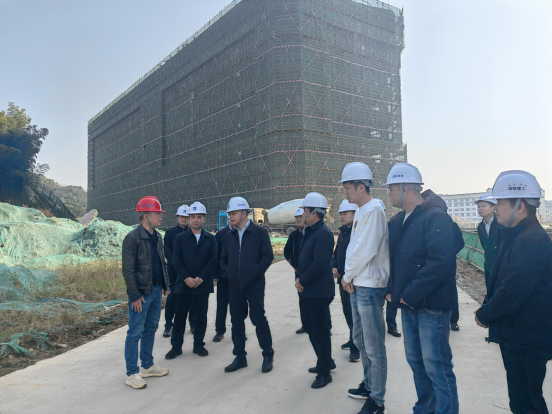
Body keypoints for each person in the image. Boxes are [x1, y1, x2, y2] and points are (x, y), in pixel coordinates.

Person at [385, 163, 462, 414]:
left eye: (391, 189)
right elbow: (397, 261)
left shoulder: (435, 216)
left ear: (405, 189)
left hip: (432, 306)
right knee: (416, 361)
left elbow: (440, 262)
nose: (388, 194)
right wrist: (393, 290)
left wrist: (409, 294)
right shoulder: (400, 220)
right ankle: (425, 408)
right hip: (408, 304)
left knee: (437, 366)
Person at [475, 170, 552, 414]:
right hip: (519, 334)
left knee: (527, 401)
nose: (495, 208)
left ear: (520, 207)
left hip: (528, 336)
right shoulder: (516, 234)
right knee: (521, 399)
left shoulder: (531, 240)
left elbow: (514, 289)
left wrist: (486, 313)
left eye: (500, 203)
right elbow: (503, 278)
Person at [339, 162, 390, 414]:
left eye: (348, 187)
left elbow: (366, 250)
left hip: (369, 287)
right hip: (358, 284)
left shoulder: (374, 210)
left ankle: (377, 401)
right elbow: (353, 248)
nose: (345, 191)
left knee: (374, 346)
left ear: (361, 186)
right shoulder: (361, 210)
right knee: (360, 339)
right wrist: (349, 278)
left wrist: (347, 275)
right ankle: (369, 385)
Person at [221, 196, 275, 374]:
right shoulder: (229, 235)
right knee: (236, 322)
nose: (230, 216)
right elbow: (223, 258)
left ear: (244, 213)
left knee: (258, 319)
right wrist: (228, 273)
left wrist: (256, 272)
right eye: (229, 213)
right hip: (235, 286)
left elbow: (268, 255)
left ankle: (268, 354)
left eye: (234, 213)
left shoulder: (259, 232)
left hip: (254, 286)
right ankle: (240, 357)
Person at [122, 196, 170, 389]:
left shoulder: (157, 236)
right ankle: (132, 373)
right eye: (157, 213)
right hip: (142, 294)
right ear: (145, 215)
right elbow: (128, 269)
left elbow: (161, 263)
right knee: (135, 332)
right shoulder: (132, 238)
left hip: (156, 290)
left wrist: (166, 285)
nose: (160, 216)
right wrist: (134, 295)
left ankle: (147, 365)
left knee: (151, 328)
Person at [165, 202, 216, 359]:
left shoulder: (210, 239)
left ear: (204, 219)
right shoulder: (180, 238)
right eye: (192, 217)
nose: (195, 220)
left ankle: (198, 345)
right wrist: (186, 278)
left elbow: (212, 260)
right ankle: (176, 347)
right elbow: (176, 260)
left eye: (199, 217)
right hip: (183, 285)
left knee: (200, 317)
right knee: (180, 317)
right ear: (189, 218)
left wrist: (200, 278)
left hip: (202, 285)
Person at [295, 193, 336, 389]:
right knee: (310, 328)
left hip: (318, 291)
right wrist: (299, 278)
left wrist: (302, 280)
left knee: (320, 332)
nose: (302, 213)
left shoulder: (323, 233)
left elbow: (320, 263)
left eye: (305, 210)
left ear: (314, 212)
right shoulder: (310, 231)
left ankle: (324, 373)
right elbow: (305, 259)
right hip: (307, 290)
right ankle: (324, 361)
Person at [332, 199, 360, 363]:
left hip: (352, 281)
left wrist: (342, 271)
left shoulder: (357, 232)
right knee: (347, 312)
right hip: (342, 279)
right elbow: (336, 253)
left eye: (345, 213)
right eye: (341, 214)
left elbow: (355, 257)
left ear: (355, 214)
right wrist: (334, 267)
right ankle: (352, 339)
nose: (342, 216)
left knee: (354, 314)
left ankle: (356, 348)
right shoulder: (343, 232)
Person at [213, 219, 249, 342]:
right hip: (224, 277)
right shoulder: (221, 234)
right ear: (228, 218)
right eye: (231, 215)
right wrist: (216, 273)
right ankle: (220, 331)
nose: (233, 218)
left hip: (240, 277)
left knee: (240, 305)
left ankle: (240, 331)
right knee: (222, 305)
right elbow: (216, 255)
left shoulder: (244, 233)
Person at [163, 204, 195, 338]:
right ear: (177, 217)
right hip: (173, 272)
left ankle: (192, 324)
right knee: (172, 298)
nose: (184, 219)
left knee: (191, 299)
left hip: (189, 272)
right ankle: (168, 325)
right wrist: (178, 266)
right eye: (182, 216)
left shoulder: (193, 232)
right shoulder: (170, 233)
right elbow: (167, 252)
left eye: (186, 217)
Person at [284, 207, 305, 334]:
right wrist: (294, 266)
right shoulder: (294, 235)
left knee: (317, 301)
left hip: (311, 272)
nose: (298, 219)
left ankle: (325, 326)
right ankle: (305, 325)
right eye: (297, 217)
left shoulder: (310, 234)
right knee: (302, 299)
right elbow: (287, 252)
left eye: (300, 217)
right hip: (299, 272)